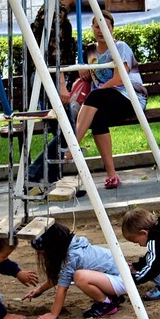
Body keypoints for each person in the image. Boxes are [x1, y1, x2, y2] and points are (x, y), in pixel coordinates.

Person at [64, 10, 148, 189]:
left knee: (97, 96)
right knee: (98, 119)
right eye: (97, 26)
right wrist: (82, 71)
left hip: (129, 96)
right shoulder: (89, 51)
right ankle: (112, 174)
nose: (101, 30)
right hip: (102, 100)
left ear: (112, 29)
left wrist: (99, 90)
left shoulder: (120, 47)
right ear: (92, 28)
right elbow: (87, 77)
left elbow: (120, 78)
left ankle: (72, 147)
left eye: (106, 26)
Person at [27, 0, 78, 185]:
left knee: (61, 129)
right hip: (49, 78)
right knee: (68, 131)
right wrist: (62, 84)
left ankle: (53, 178)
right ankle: (33, 172)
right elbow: (54, 54)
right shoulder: (57, 15)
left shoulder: (47, 12)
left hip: (43, 77)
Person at [22, 222, 126, 319]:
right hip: (117, 276)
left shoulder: (71, 257)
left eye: (42, 252)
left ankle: (106, 304)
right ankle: (112, 298)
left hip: (122, 280)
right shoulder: (72, 246)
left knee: (79, 277)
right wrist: (39, 290)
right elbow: (56, 279)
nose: (40, 255)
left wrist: (53, 314)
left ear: (53, 249)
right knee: (80, 275)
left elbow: (62, 288)